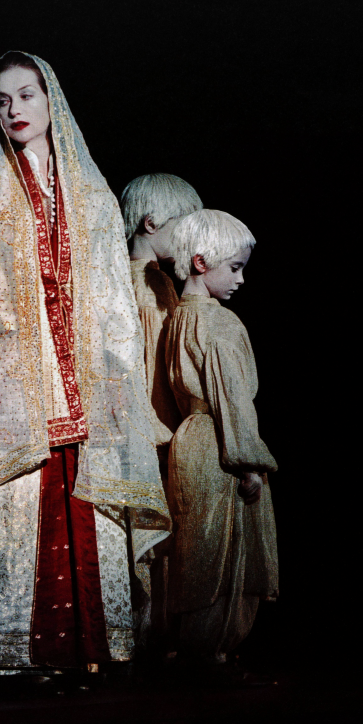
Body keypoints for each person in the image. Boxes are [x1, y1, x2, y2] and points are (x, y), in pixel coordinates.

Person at [0, 51, 170, 694]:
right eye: (3, 100)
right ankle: (14, 658)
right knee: (18, 510)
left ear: (51, 100)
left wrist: (110, 377)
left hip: (84, 388)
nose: (15, 110)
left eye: (26, 95)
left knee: (86, 509)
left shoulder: (93, 195)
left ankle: (91, 652)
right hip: (10, 391)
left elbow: (110, 298)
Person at [165, 209, 278, 678]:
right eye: (234, 268)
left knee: (195, 552)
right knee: (228, 556)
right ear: (198, 261)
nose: (242, 280)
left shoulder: (176, 318)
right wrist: (249, 464)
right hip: (219, 446)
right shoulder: (220, 324)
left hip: (188, 442)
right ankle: (214, 655)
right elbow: (232, 400)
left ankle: (195, 654)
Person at [120, 174, 202, 649]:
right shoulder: (147, 289)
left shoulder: (155, 283)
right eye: (182, 226)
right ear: (151, 223)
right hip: (152, 431)